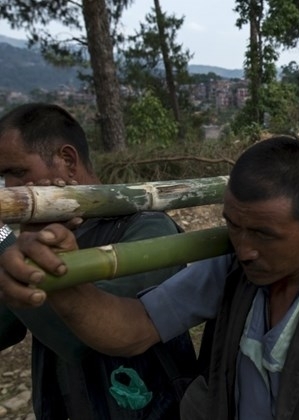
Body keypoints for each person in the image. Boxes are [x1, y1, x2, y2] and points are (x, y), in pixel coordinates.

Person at [0, 136, 299, 419]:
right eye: (233, 226)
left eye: (263, 234)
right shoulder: (231, 268)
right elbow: (132, 329)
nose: (245, 247)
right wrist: (63, 282)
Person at [0, 103, 197, 419]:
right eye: (3, 176)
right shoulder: (36, 235)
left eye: (19, 173)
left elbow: (81, 339)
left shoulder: (148, 228)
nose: (10, 189)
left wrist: (2, 238)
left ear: (67, 161)